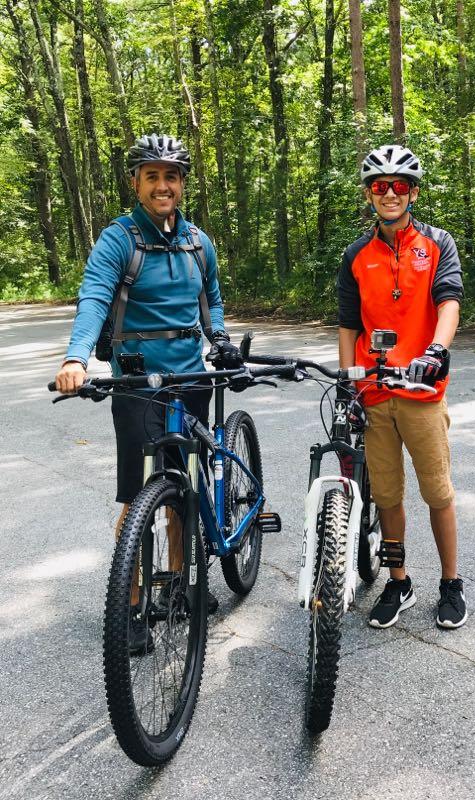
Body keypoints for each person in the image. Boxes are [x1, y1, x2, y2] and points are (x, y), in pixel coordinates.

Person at [55, 133, 241, 649]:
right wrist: (76, 357)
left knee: (185, 488)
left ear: (182, 184)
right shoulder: (119, 239)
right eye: (152, 176)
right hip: (137, 383)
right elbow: (94, 296)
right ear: (136, 183)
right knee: (140, 497)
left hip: (191, 379)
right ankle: (132, 601)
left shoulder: (198, 242)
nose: (163, 185)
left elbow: (212, 301)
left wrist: (220, 340)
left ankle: (178, 585)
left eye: (171, 176)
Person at [337, 144, 467, 630]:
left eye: (399, 186)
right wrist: (348, 382)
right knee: (388, 496)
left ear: (413, 193)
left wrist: (436, 351)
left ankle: (451, 583)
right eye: (379, 186)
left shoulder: (437, 244)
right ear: (369, 194)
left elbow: (449, 301)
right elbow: (349, 324)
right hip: (374, 392)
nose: (389, 193)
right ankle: (398, 580)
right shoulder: (356, 255)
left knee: (437, 492)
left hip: (422, 391)